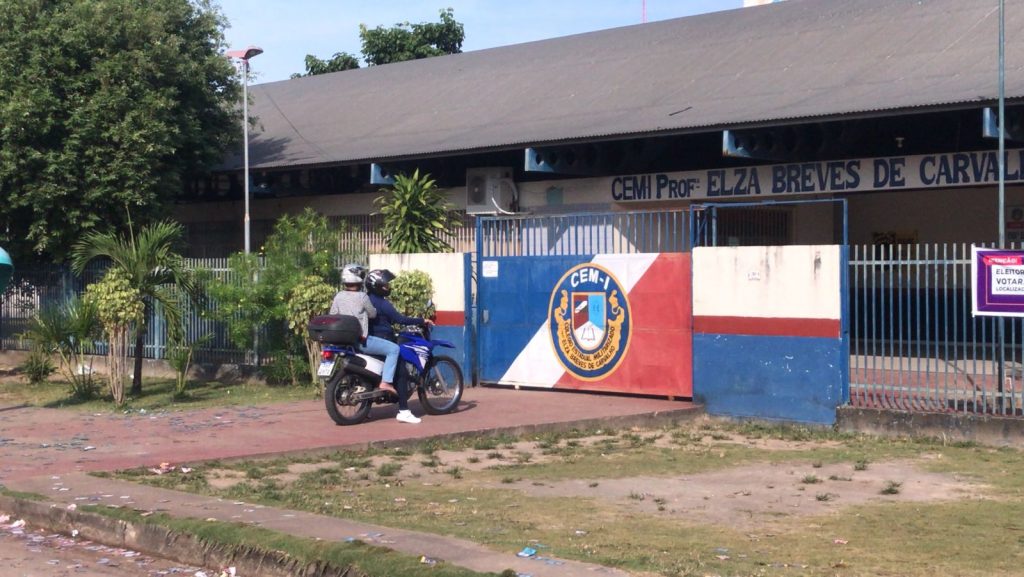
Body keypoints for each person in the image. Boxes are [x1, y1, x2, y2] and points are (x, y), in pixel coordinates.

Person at [329, 264, 403, 411]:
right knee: (394, 349)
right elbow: (372, 314)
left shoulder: (338, 296)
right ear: (359, 278)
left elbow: (333, 314)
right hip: (361, 341)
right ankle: (386, 382)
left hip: (343, 342)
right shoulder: (363, 296)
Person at [364, 269, 433, 424]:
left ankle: (365, 409)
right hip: (383, 340)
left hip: (369, 341)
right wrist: (421, 321)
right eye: (385, 284)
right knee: (401, 371)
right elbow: (399, 319)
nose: (388, 286)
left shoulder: (367, 299)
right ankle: (404, 411)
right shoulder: (382, 303)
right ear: (377, 286)